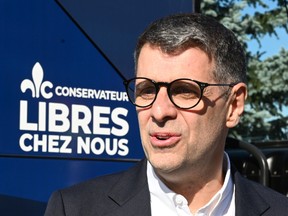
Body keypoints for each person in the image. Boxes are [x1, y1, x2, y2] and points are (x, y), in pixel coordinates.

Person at [44, 13, 288, 216]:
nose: (159, 112)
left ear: (233, 105)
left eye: (183, 91)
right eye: (147, 90)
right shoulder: (75, 209)